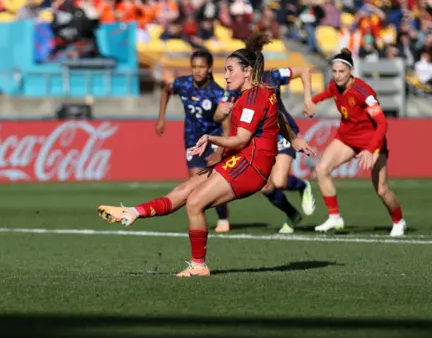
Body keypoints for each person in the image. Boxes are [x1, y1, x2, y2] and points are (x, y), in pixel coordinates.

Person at [98, 33, 315, 277]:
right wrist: (294, 138)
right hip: (240, 159)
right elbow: (276, 116)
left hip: (251, 165)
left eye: (231, 69)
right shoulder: (260, 92)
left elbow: (242, 139)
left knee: (195, 203)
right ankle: (132, 212)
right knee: (184, 190)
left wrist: (211, 139)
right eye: (225, 69)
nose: (226, 75)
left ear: (247, 71)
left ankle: (199, 265)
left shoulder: (253, 97)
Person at [310, 48, 406, 236]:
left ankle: (398, 220)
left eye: (342, 72)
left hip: (372, 143)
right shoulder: (335, 84)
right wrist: (313, 101)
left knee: (381, 190)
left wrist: (371, 149)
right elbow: (329, 92)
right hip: (346, 138)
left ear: (351, 71)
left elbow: (382, 123)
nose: (337, 76)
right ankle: (335, 217)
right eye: (335, 71)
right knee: (322, 169)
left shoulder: (364, 92)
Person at [211, 66, 318, 234]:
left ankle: (302, 186)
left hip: (282, 132)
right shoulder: (234, 85)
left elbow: (303, 71)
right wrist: (221, 112)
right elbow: (217, 116)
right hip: (259, 138)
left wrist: (307, 99)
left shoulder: (272, 76)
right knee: (266, 187)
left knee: (280, 182)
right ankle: (291, 214)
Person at [155, 49, 235, 233]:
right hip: (192, 139)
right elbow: (166, 91)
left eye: (201, 67)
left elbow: (226, 126)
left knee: (213, 183)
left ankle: (223, 217)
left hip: (213, 141)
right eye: (194, 67)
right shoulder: (183, 84)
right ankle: (200, 218)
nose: (197, 71)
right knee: (195, 182)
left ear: (209, 69)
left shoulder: (218, 93)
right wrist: (161, 119)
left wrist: (219, 152)